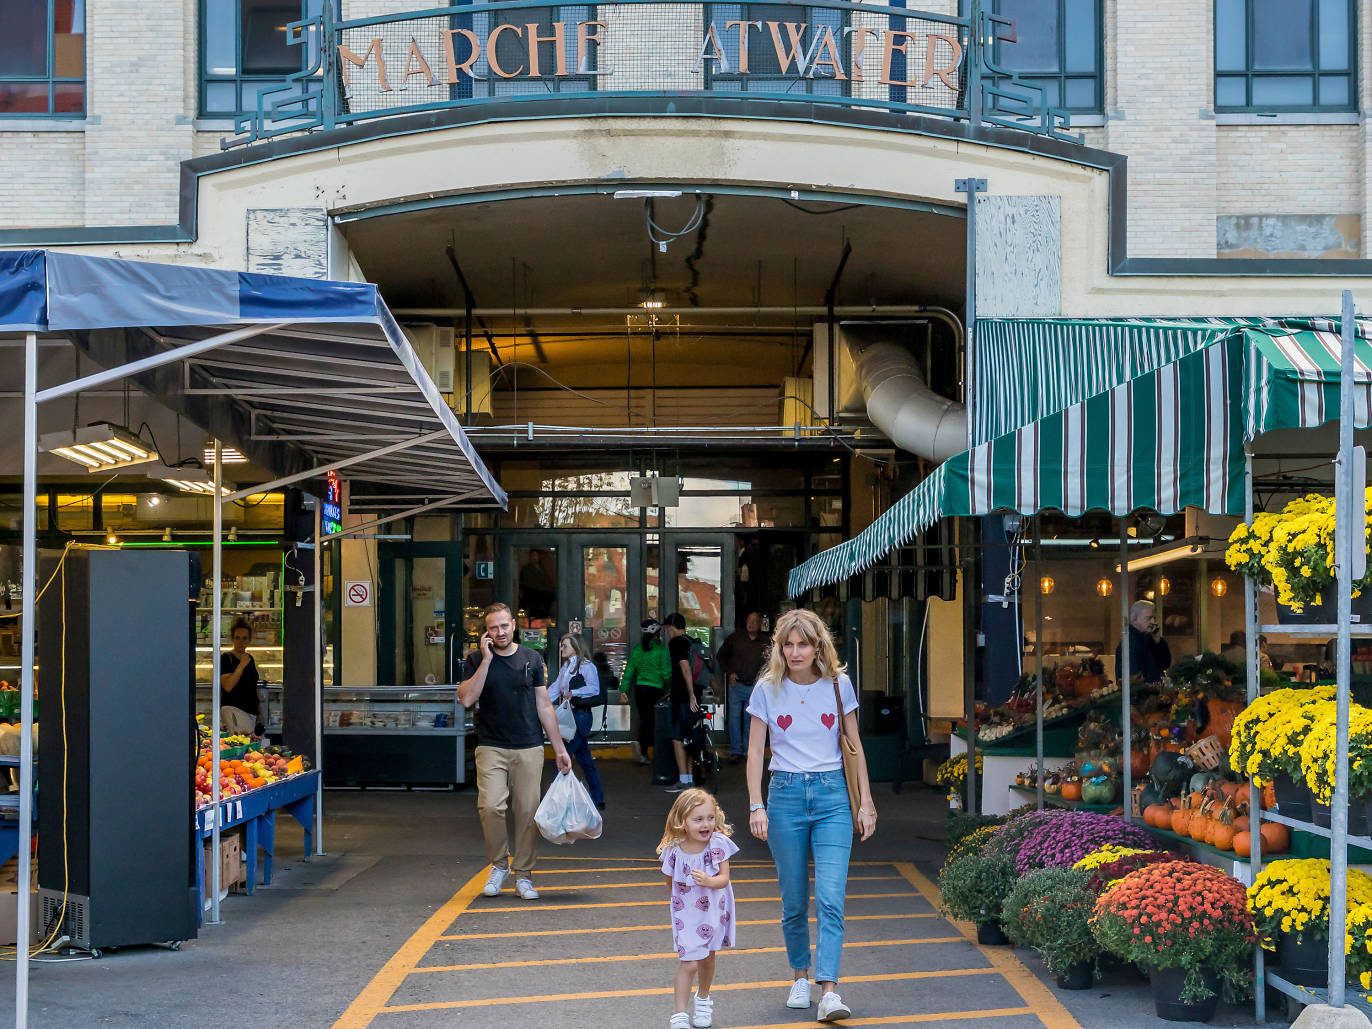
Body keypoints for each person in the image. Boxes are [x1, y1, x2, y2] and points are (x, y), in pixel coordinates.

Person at [746, 608, 876, 1023]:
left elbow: (855, 748)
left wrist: (867, 803)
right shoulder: (767, 689)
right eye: (789, 643)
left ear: (819, 645)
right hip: (784, 794)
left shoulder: (839, 686)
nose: (796, 650)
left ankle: (829, 991)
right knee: (794, 899)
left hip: (833, 795)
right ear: (779, 647)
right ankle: (799, 975)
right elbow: (753, 753)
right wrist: (756, 804)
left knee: (831, 896)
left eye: (804, 643)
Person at [458, 602, 572, 901]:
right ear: (487, 632)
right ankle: (498, 865)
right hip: (491, 745)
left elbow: (544, 705)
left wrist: (559, 748)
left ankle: (523, 874)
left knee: (527, 812)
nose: (500, 632)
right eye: (493, 628)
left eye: (504, 625)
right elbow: (467, 699)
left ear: (514, 625)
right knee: (490, 806)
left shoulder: (531, 658)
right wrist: (485, 660)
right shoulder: (475, 660)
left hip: (529, 745)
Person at [658, 788, 738, 1029]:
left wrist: (709, 882)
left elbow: (724, 879)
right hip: (686, 913)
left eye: (710, 818)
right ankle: (679, 1014)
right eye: (699, 819)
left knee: (707, 957)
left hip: (714, 909)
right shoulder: (674, 850)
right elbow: (670, 883)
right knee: (689, 961)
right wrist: (679, 908)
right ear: (682, 821)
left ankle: (703, 998)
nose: (706, 824)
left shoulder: (718, 844)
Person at [548, 633, 606, 810]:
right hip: (572, 716)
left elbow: (594, 688)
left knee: (564, 755)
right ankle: (598, 798)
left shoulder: (586, 666)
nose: (561, 649)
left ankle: (552, 799)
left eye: (564, 645)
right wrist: (541, 701)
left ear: (575, 646)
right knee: (585, 759)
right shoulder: (567, 666)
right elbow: (556, 687)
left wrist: (575, 693)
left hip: (580, 716)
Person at [718, 612, 769, 763]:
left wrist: (763, 680)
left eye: (754, 621)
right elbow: (721, 656)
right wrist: (729, 673)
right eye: (749, 620)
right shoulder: (736, 638)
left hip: (755, 686)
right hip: (736, 685)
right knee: (734, 718)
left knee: (750, 719)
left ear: (760, 624)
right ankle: (735, 750)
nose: (751, 623)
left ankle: (748, 751)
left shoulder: (764, 641)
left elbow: (770, 663)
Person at [621, 619, 671, 765]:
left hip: (640, 690)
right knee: (656, 722)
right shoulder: (661, 650)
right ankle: (655, 752)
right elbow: (666, 673)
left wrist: (623, 690)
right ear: (656, 635)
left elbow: (628, 670)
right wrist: (671, 688)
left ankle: (642, 749)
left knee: (646, 719)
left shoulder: (637, 650)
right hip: (656, 690)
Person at [664, 612, 700, 793]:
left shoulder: (675, 643)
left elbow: (685, 667)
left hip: (683, 698)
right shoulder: (694, 641)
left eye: (668, 629)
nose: (667, 633)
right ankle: (691, 779)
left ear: (672, 628)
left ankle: (684, 780)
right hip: (696, 698)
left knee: (678, 737)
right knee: (691, 737)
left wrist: (690, 694)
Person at [219, 617, 263, 736]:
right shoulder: (226, 658)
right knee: (242, 745)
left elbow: (253, 687)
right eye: (237, 638)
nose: (241, 642)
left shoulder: (250, 659)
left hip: (251, 711)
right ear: (232, 639)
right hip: (234, 709)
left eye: (244, 638)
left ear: (249, 640)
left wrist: (260, 714)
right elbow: (228, 686)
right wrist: (241, 665)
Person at [1115, 599, 1172, 685]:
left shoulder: (1149, 638)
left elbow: (1165, 663)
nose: (1153, 622)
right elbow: (1134, 679)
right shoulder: (1129, 643)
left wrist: (1158, 640)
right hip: (1142, 694)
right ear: (1135, 620)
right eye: (1149, 618)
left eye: (1154, 618)